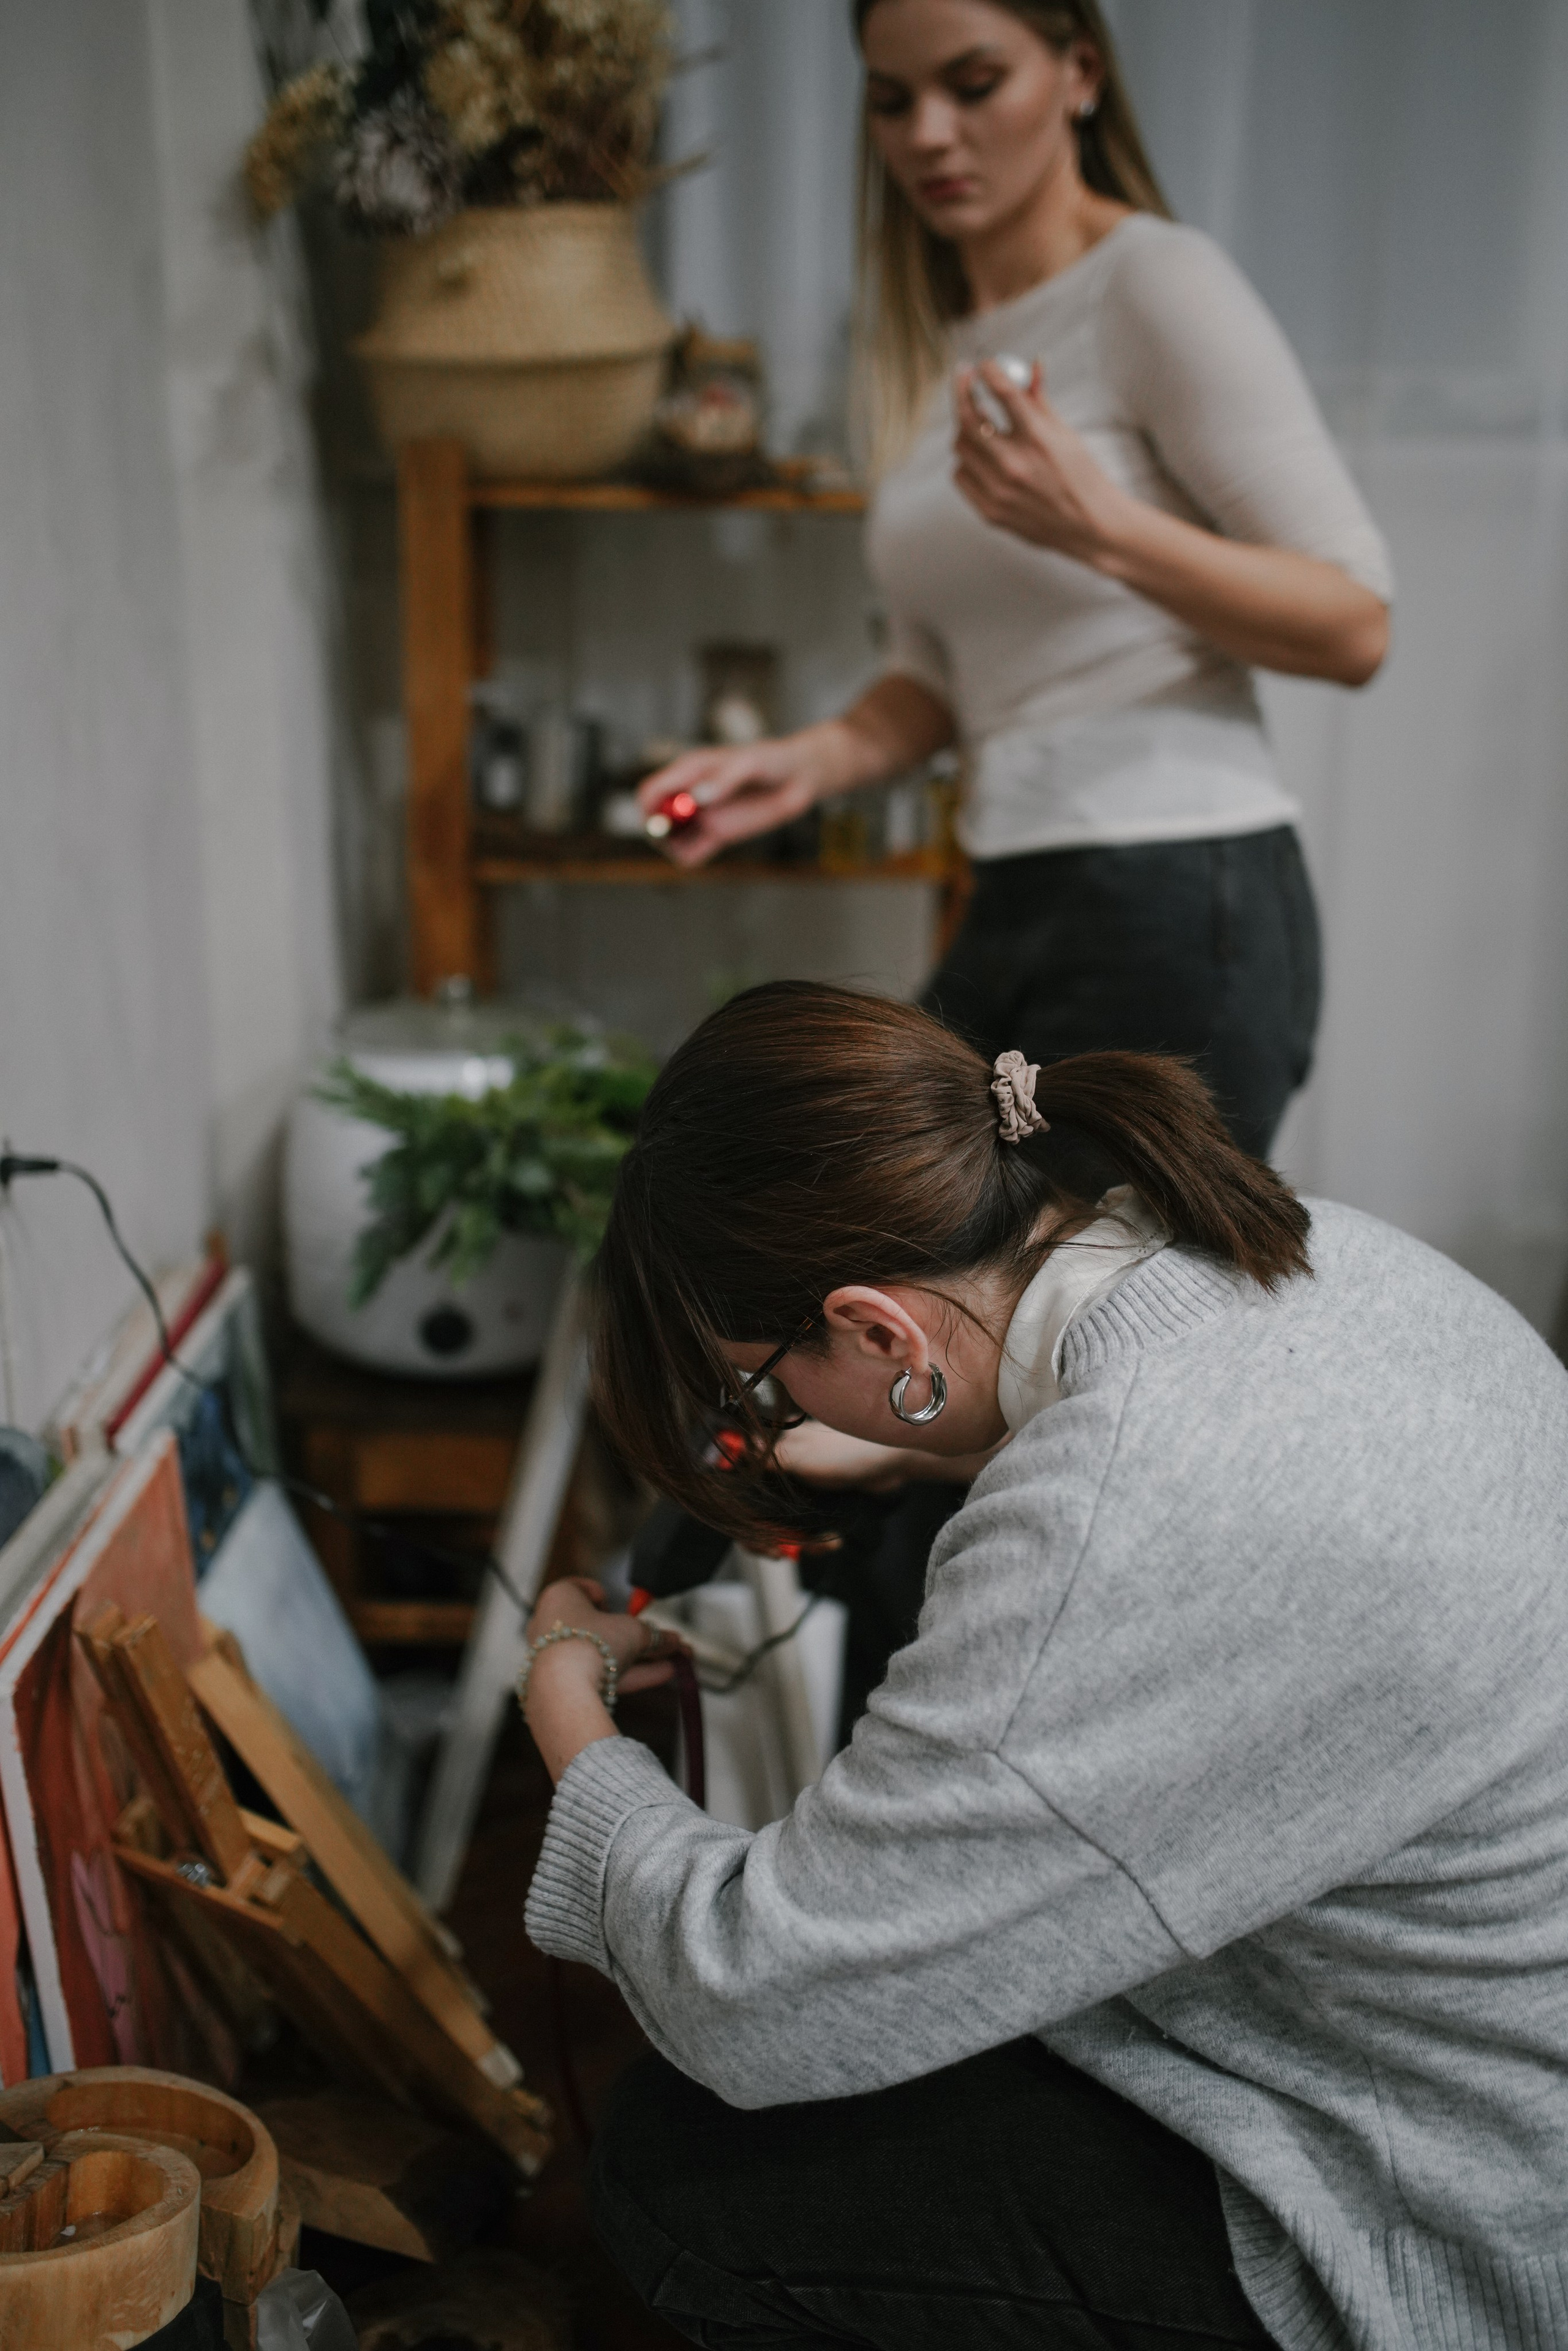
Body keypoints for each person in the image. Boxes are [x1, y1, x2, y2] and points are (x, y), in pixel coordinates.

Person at [521, 983, 1568, 2351]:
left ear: (878, 1330)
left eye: (767, 1381)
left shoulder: (1110, 1520)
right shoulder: (1305, 1242)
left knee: (687, 2168)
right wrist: (935, 1431)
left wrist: (565, 1699)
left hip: (1458, 2220)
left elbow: (752, 1994)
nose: (776, 1415)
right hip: (1496, 2043)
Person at [639, 0, 1392, 1161]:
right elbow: (939, 678)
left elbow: (1353, 624)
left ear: (1078, 72)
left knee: (1076, 1318)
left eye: (974, 83)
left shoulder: (1154, 283)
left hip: (1181, 889)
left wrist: (1098, 525)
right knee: (898, 1257)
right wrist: (801, 764)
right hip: (1017, 884)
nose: (929, 134)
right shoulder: (934, 349)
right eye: (892, 102)